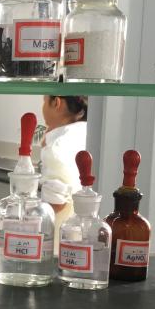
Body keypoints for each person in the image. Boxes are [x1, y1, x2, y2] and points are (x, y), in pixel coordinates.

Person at [40, 95, 88, 234]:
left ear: (56, 102)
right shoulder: (88, 133)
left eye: (44, 101)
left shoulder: (57, 147)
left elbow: (55, 204)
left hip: (61, 238)